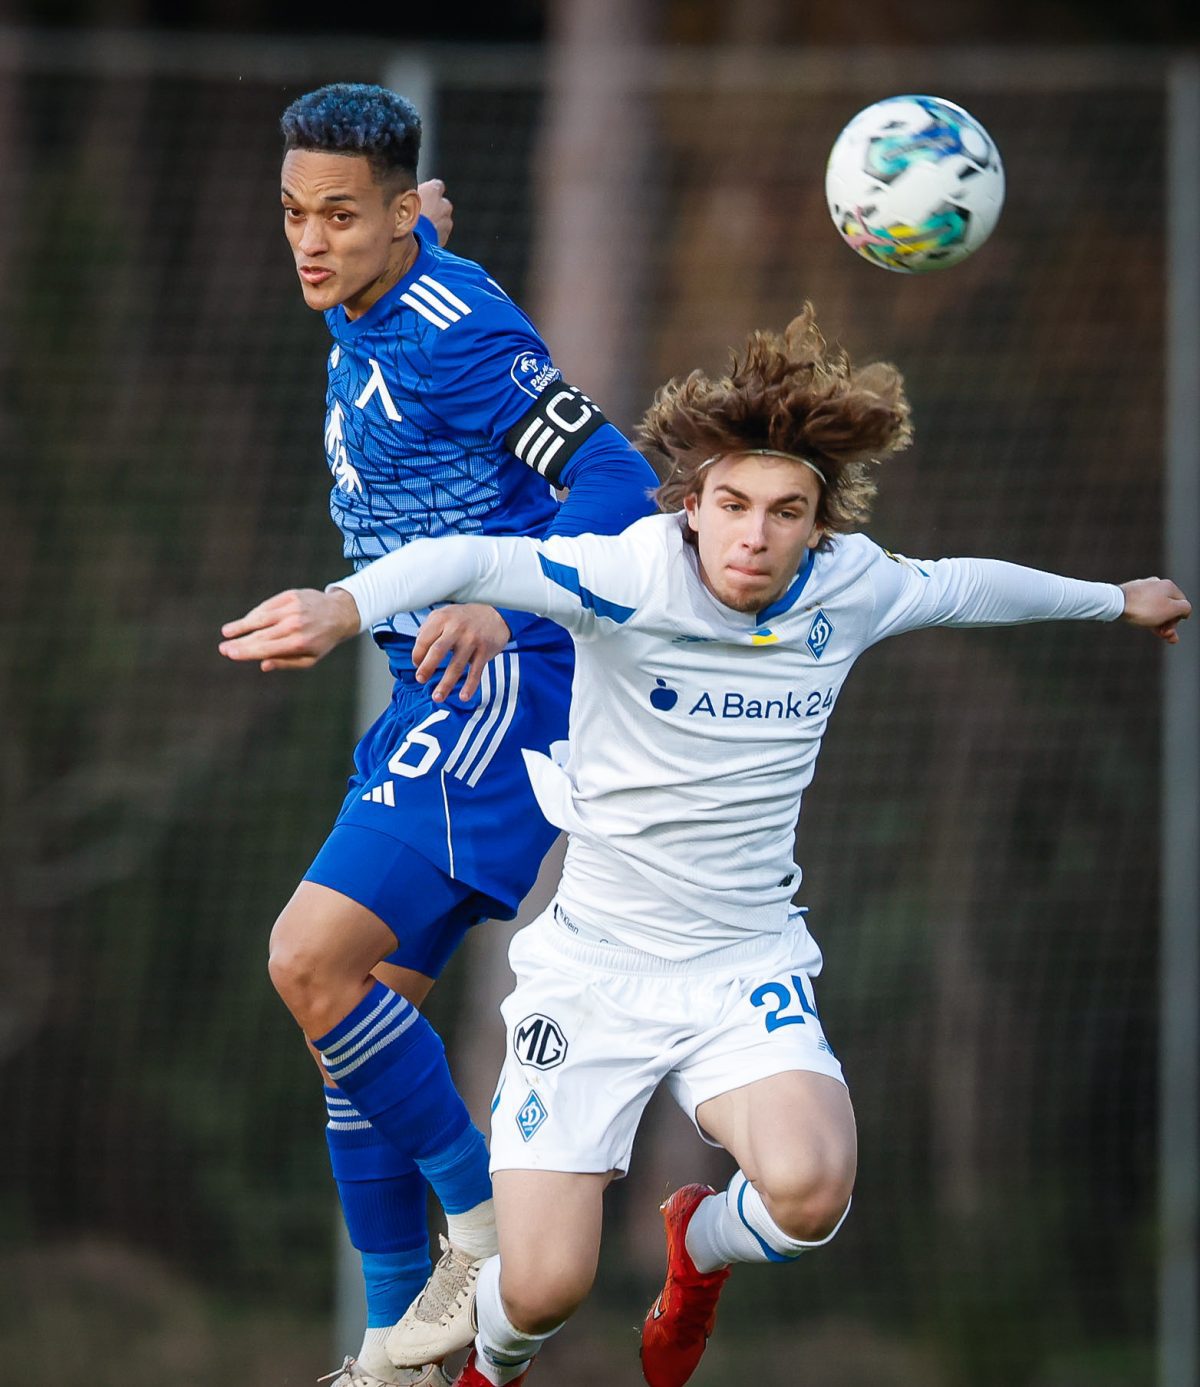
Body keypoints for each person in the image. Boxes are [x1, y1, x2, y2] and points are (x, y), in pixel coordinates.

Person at [220, 306, 1190, 1387]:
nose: (754, 536)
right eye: (732, 505)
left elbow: (968, 585)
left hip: (741, 966)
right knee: (543, 1288)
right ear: (692, 505)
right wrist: (344, 605)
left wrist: (1118, 601)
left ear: (819, 525)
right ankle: (492, 1361)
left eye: (786, 512)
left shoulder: (851, 586)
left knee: (812, 1191)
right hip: (592, 977)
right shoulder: (631, 573)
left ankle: (700, 1242)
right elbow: (471, 555)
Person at [252, 83, 658, 1387]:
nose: (310, 242)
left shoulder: (457, 331)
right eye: (294, 213)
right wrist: (407, 224)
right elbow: (404, 240)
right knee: (354, 1028)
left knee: (308, 958)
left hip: (507, 679)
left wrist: (501, 597)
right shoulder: (376, 270)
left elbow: (618, 479)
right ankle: (397, 1358)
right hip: (427, 689)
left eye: (339, 217)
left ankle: (484, 1238)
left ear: (390, 220)